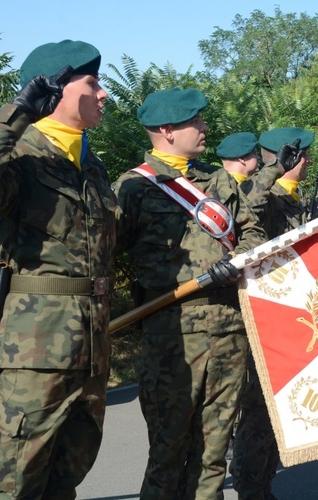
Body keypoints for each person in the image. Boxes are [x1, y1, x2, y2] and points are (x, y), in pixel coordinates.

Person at [0, 40, 116, 497]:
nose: (104, 94)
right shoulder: (19, 154)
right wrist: (15, 114)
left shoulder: (91, 166)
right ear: (56, 89)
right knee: (12, 484)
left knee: (65, 478)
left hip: (89, 351)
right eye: (93, 83)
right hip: (31, 356)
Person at [113, 88, 267, 499]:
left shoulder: (217, 180)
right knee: (168, 452)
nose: (204, 128)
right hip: (173, 336)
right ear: (166, 130)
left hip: (230, 329)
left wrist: (240, 259)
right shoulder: (134, 188)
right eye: (195, 121)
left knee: (212, 454)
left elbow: (253, 231)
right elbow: (104, 254)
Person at [230, 126, 316, 499]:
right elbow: (246, 207)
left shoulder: (293, 198)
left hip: (289, 317)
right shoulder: (265, 195)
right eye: (304, 156)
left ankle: (264, 486)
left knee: (271, 415)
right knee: (257, 413)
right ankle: (251, 489)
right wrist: (272, 173)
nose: (308, 162)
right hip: (262, 319)